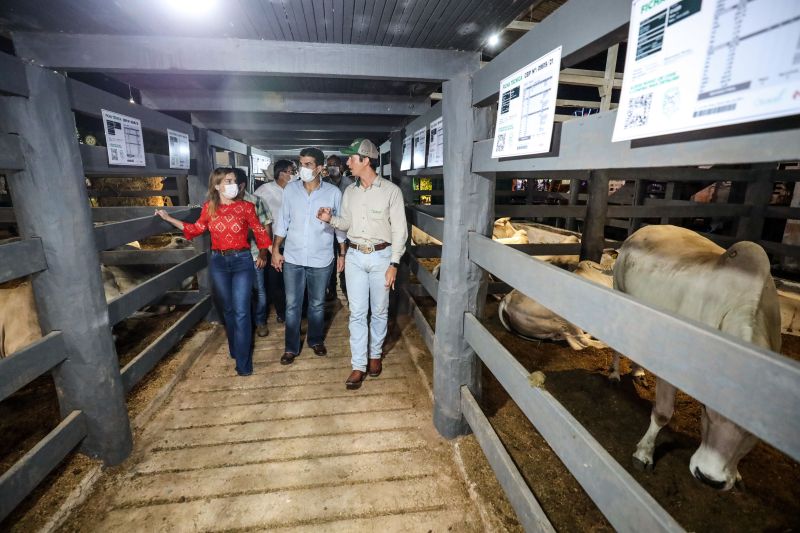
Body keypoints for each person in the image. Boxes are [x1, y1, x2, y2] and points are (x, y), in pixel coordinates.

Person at [156, 167, 271, 376]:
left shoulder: (246, 207)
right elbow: (196, 229)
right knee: (227, 310)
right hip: (219, 262)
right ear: (217, 185)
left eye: (234, 180)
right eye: (228, 181)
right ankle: (236, 349)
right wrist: (169, 219)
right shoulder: (209, 208)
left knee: (242, 311)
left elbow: (260, 231)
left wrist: (264, 252)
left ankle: (244, 364)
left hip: (242, 261)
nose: (233, 184)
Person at [317, 139, 408, 390]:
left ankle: (375, 355)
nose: (347, 163)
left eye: (351, 158)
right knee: (357, 313)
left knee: (379, 311)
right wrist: (330, 219)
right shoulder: (350, 192)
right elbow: (346, 223)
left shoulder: (391, 191)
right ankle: (358, 365)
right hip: (356, 256)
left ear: (365, 160)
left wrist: (394, 263)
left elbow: (400, 231)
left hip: (382, 256)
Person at [271, 148, 346, 365]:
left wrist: (342, 253)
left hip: (321, 258)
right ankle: (291, 347)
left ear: (320, 168)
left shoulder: (333, 193)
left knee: (317, 303)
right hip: (293, 257)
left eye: (308, 164)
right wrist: (276, 250)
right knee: (292, 304)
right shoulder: (291, 191)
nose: (303, 168)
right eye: (301, 164)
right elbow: (282, 222)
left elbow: (339, 227)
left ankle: (315, 340)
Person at [232, 167, 272, 337]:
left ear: (241, 186)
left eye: (230, 182)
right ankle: (244, 324)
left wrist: (263, 253)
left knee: (259, 290)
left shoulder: (256, 201)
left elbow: (266, 227)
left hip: (254, 253)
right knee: (239, 291)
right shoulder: (222, 203)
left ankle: (260, 321)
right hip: (233, 256)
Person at [254, 159, 295, 324]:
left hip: (294, 243)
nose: (293, 175)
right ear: (281, 173)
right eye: (291, 171)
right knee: (276, 279)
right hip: (274, 245)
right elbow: (256, 217)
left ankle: (297, 310)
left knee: (293, 279)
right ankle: (281, 311)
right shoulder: (263, 191)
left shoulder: (296, 189)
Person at [322, 155, 354, 301]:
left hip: (345, 229)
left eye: (334, 164)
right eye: (329, 165)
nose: (331, 167)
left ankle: (346, 289)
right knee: (330, 259)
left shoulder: (350, 184)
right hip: (328, 228)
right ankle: (331, 290)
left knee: (345, 259)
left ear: (341, 166)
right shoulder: (322, 184)